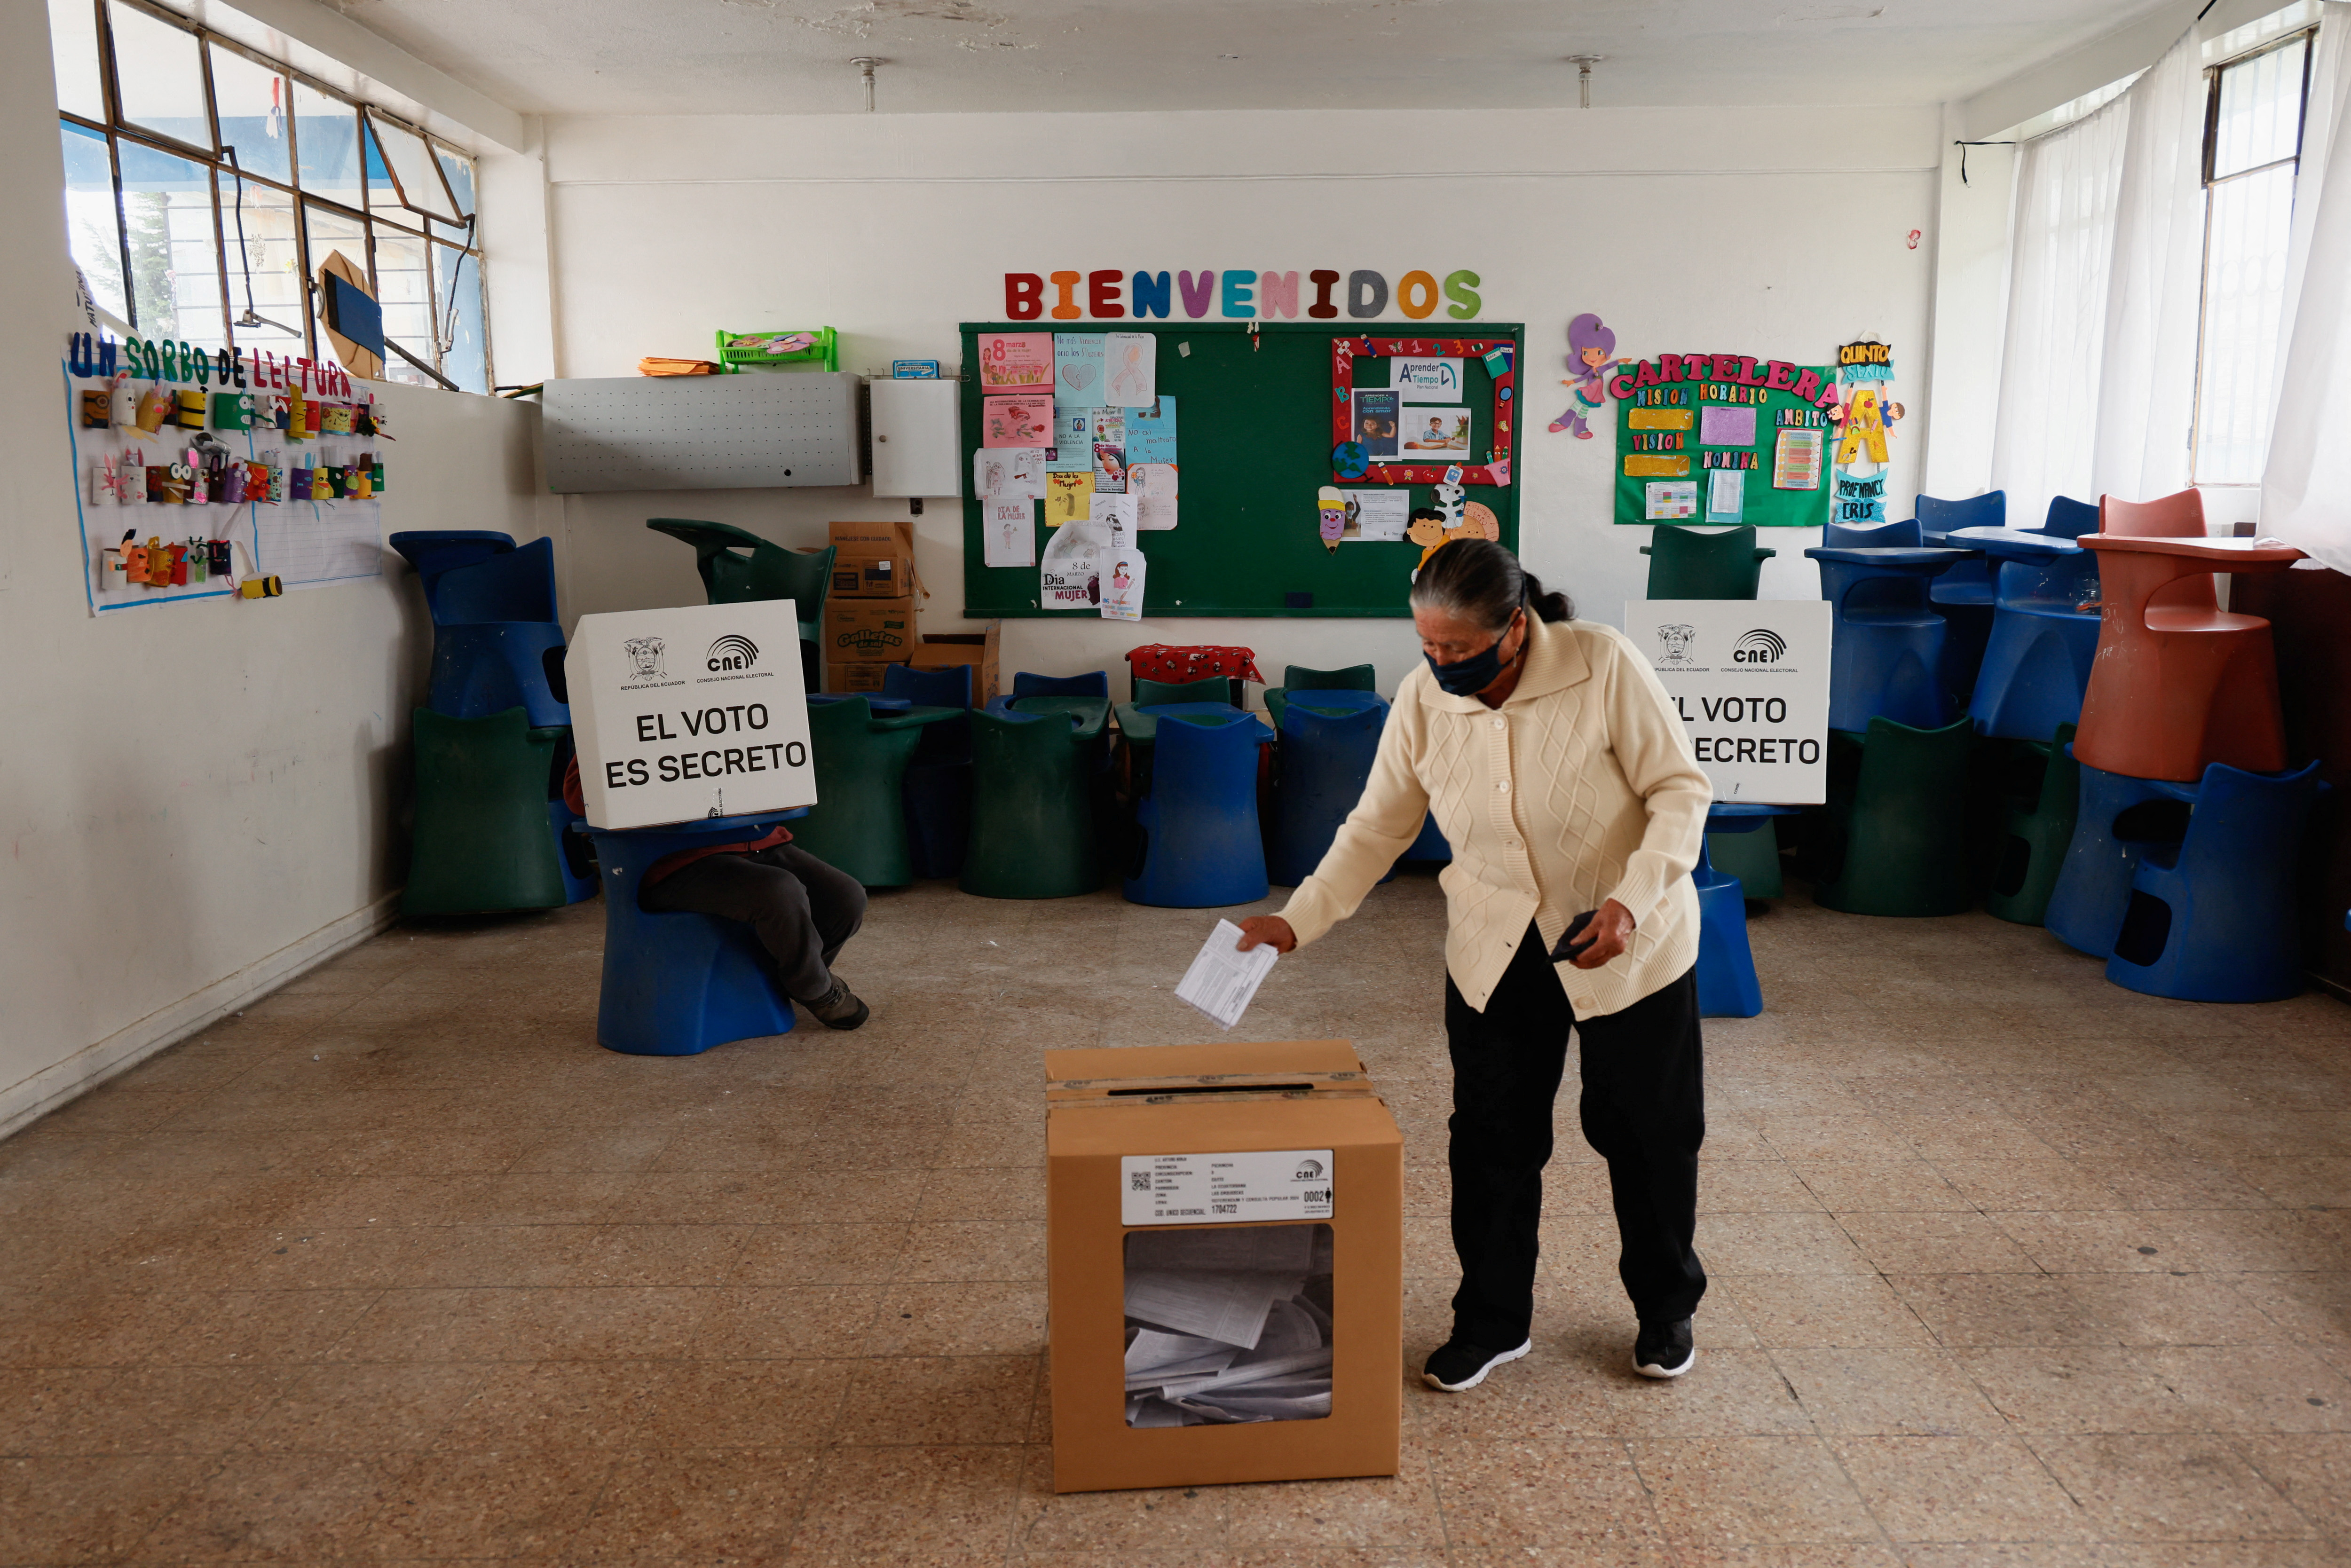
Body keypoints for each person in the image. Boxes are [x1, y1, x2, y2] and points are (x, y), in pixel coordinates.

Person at [1237, 539, 1712, 1387]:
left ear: (1516, 626)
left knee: (1648, 1134)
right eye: (1427, 645)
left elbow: (1680, 790)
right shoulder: (1423, 699)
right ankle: (1493, 1320)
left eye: (1457, 647)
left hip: (1627, 936)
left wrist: (1633, 901)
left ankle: (1664, 1310)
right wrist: (1296, 921)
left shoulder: (1603, 664)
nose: (1439, 661)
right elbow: (1377, 827)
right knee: (1492, 1139)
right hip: (1495, 944)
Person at [562, 758, 870, 1029]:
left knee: (846, 897)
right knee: (780, 892)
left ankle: (784, 979)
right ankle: (814, 988)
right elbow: (578, 797)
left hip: (758, 838)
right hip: (678, 858)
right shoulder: (621, 705)